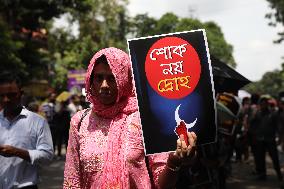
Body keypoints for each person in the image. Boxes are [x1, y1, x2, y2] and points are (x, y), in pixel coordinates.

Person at [63, 47, 197, 188]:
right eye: (98, 78)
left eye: (112, 78)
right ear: (90, 80)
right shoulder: (80, 121)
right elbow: (72, 179)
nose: (104, 85)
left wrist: (174, 162)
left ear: (125, 79)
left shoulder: (144, 119)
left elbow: (162, 184)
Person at [0, 72, 54, 188]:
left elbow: (47, 156)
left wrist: (17, 152)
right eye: (2, 96)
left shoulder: (37, 122)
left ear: (21, 94)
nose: (6, 100)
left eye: (11, 95)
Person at [251, 96, 283, 181]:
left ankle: (279, 174)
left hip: (270, 139)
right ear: (259, 105)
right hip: (260, 139)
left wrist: (280, 137)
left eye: (264, 104)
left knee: (274, 157)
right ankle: (262, 174)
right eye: (261, 104)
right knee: (260, 158)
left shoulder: (273, 113)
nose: (263, 105)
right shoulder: (257, 113)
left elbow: (279, 126)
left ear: (267, 105)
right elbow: (253, 125)